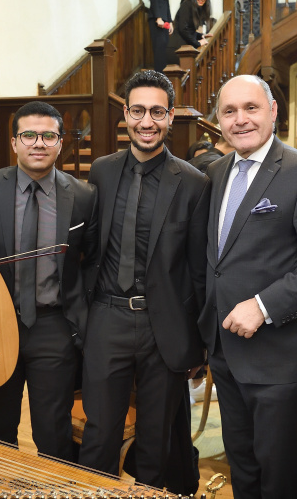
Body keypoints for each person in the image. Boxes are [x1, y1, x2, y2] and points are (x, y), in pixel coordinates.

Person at [201, 74, 297, 498]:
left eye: (251, 108)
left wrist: (263, 306)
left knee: (276, 468)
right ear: (219, 120)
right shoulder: (214, 172)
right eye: (229, 111)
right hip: (225, 347)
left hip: (279, 351)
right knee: (241, 462)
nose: (240, 119)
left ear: (272, 112)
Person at [0, 101, 98, 462]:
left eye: (48, 136)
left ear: (60, 143)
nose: (38, 143)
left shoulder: (84, 195)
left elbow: (90, 260)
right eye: (28, 135)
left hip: (53, 326)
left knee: (54, 430)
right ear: (14, 143)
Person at [78, 70, 210, 489]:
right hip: (107, 317)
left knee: (156, 441)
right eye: (138, 111)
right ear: (125, 114)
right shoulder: (101, 171)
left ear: (170, 117)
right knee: (99, 435)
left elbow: (198, 269)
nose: (146, 121)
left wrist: (199, 342)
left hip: (164, 326)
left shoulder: (192, 182)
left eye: (156, 112)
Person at [166, 0, 213, 66]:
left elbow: (190, 30)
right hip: (177, 49)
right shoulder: (187, 5)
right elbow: (183, 29)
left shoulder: (197, 9)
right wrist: (197, 43)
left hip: (184, 50)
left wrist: (201, 36)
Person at [148, 0, 174, 73]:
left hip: (165, 19)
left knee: (164, 48)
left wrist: (170, 21)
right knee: (159, 49)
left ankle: (163, 76)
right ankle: (159, 76)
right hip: (156, 19)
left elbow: (166, 3)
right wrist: (158, 17)